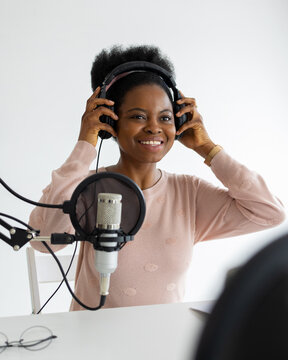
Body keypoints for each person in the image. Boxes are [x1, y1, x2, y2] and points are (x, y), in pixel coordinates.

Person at [29, 45, 285, 311]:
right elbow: (43, 240)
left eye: (165, 117)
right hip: (94, 344)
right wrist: (85, 145)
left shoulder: (189, 193)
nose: (154, 127)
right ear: (109, 121)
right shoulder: (89, 188)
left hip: (163, 342)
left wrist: (208, 148)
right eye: (138, 116)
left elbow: (269, 213)